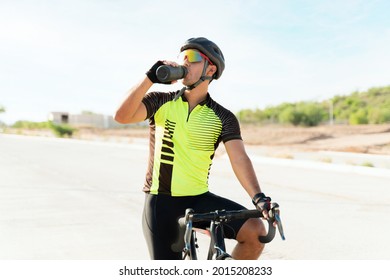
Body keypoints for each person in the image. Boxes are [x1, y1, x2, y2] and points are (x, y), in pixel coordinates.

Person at [115, 37, 273, 260]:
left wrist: (259, 198)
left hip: (199, 199)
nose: (185, 63)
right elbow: (121, 116)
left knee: (256, 232)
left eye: (193, 58)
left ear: (210, 68)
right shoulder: (161, 101)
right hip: (161, 202)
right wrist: (149, 78)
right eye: (182, 58)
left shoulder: (223, 117)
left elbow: (239, 159)